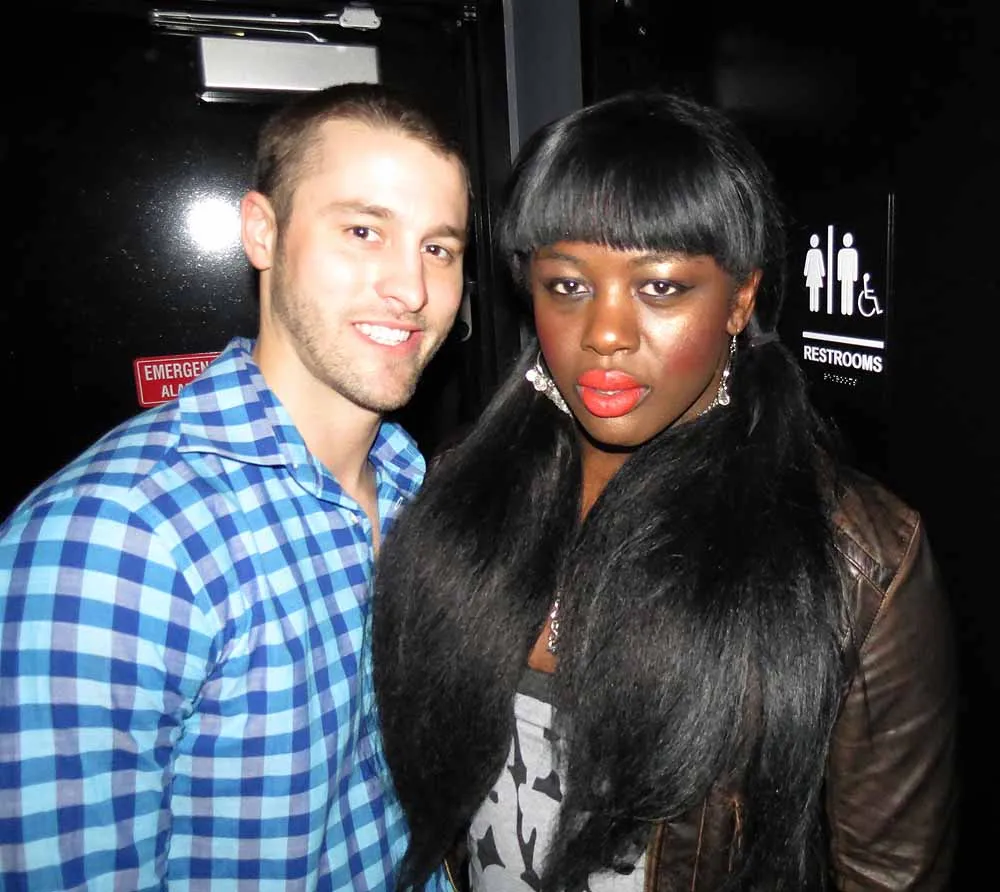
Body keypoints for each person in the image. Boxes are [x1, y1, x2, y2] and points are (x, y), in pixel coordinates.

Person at [370, 90, 957, 891]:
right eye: (568, 286)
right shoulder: (459, 490)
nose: (606, 333)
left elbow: (889, 874)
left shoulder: (856, 557)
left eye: (660, 288)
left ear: (739, 300)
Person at [0, 82, 469, 890]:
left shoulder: (412, 487)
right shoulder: (114, 537)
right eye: (363, 231)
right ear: (262, 232)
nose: (411, 289)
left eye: (439, 249)